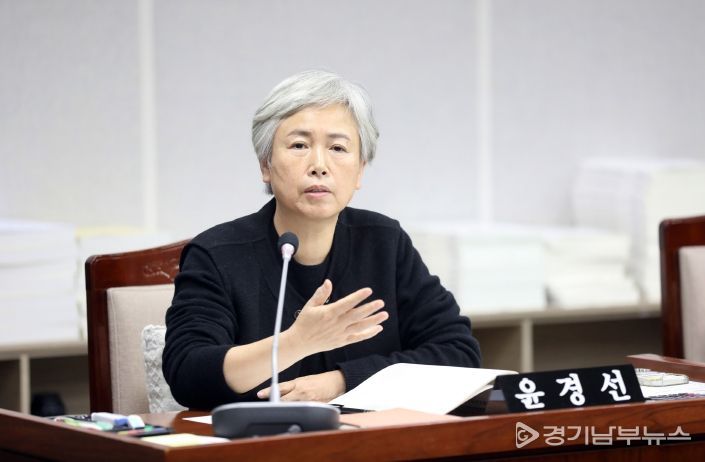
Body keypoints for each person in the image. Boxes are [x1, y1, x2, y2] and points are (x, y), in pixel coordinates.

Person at [163, 70, 482, 410]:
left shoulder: (384, 243)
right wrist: (294, 343)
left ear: (360, 170)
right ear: (266, 166)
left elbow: (459, 354)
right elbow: (188, 374)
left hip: (368, 437)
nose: (319, 165)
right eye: (299, 145)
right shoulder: (217, 254)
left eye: (337, 148)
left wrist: (342, 382)